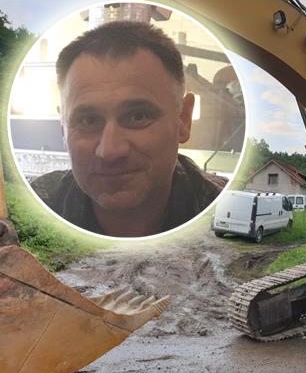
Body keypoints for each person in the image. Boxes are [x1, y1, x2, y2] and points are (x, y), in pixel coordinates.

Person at [31, 21, 226, 237]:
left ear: (183, 120)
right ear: (63, 126)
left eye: (138, 116)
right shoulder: (30, 208)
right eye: (88, 120)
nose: (109, 151)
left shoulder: (229, 209)